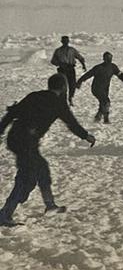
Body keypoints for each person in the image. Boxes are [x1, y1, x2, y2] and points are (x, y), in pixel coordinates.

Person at [0, 74, 96, 226]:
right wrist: (86, 136)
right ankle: (5, 213)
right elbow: (72, 124)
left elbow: (12, 113)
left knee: (42, 169)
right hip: (26, 142)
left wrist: (0, 131)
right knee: (27, 178)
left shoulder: (34, 96)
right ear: (63, 87)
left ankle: (49, 205)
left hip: (16, 138)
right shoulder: (58, 103)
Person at [76, 52, 123, 123]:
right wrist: (79, 82)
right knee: (106, 102)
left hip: (105, 89)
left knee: (103, 102)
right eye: (107, 58)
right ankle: (106, 119)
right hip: (96, 89)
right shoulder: (98, 68)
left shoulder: (113, 67)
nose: (109, 60)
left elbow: (120, 74)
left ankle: (98, 117)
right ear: (104, 59)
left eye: (110, 58)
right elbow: (88, 75)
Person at [50, 36, 86, 106]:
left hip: (70, 69)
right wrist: (59, 63)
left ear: (68, 41)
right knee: (62, 86)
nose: (65, 42)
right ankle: (63, 100)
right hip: (62, 69)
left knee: (72, 85)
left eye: (66, 41)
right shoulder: (58, 51)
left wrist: (83, 65)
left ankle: (70, 97)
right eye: (64, 41)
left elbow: (80, 57)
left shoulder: (72, 50)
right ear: (62, 42)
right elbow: (53, 61)